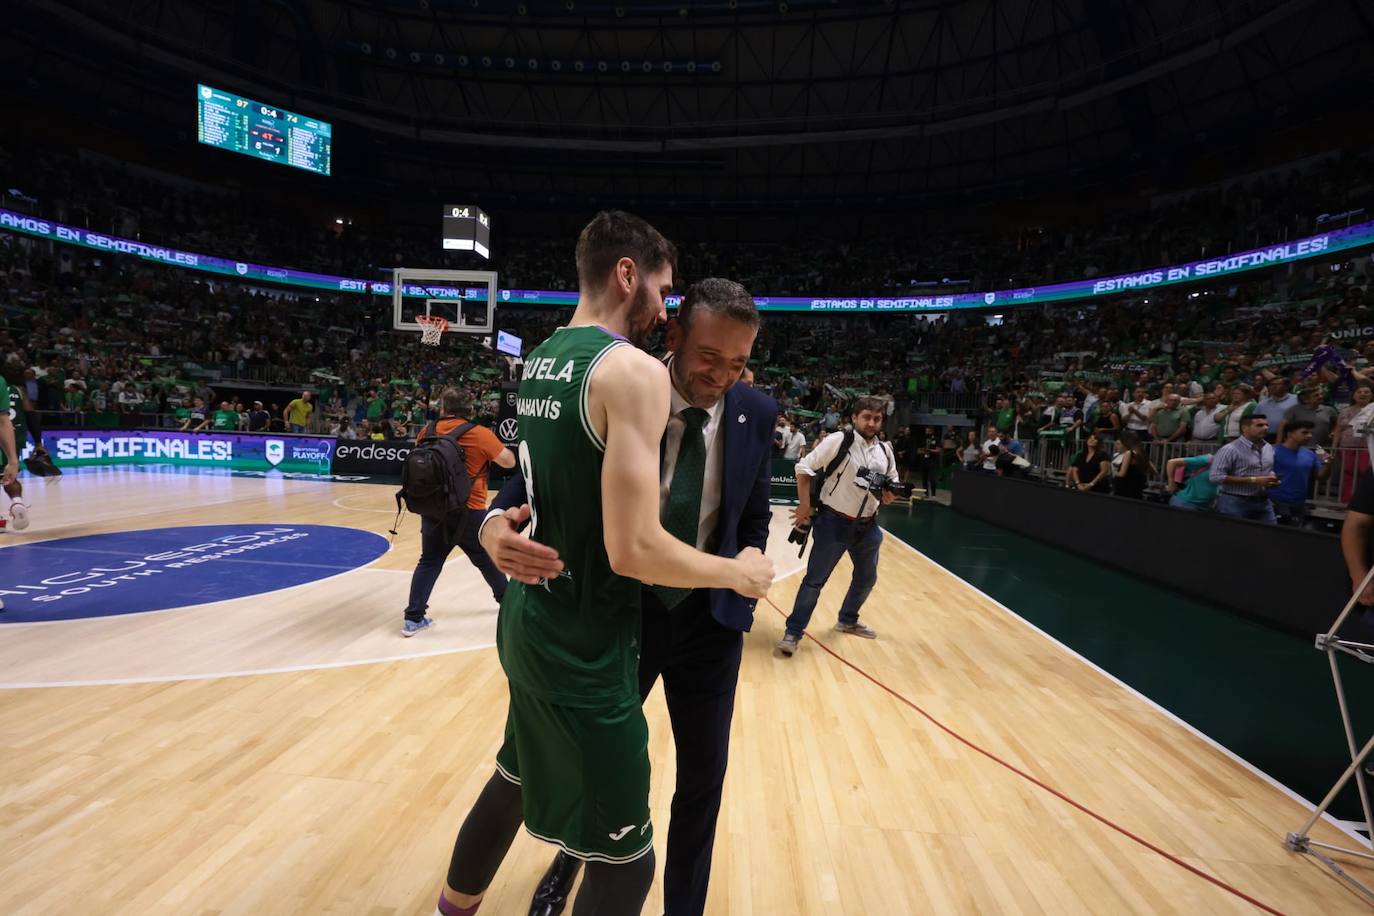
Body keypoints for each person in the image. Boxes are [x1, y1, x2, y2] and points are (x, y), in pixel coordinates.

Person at [432, 212, 774, 916]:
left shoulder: (549, 356)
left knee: (678, 778)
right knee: (617, 834)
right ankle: (566, 873)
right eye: (710, 357)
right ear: (672, 327)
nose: (723, 376)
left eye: (739, 364)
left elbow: (750, 516)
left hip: (679, 625)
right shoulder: (633, 374)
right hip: (613, 622)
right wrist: (495, 522)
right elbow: (607, 532)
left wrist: (749, 555)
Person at [777, 396, 897, 655]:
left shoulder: (885, 450)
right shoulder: (839, 441)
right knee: (814, 581)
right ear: (855, 418)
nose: (871, 423)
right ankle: (793, 632)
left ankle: (847, 619)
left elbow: (891, 483)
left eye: (877, 418)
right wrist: (804, 506)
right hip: (833, 523)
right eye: (866, 417)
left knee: (867, 578)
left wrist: (889, 494)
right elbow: (804, 467)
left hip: (868, 526)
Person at [400, 387, 517, 637]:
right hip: (469, 510)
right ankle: (508, 605)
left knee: (429, 561)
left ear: (443, 408)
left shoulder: (426, 431)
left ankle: (413, 619)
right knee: (485, 559)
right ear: (470, 409)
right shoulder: (479, 434)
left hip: (434, 508)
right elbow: (509, 462)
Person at [1208, 414, 1279, 523]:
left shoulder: (1268, 448)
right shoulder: (1230, 449)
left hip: (1263, 501)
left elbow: (1268, 468)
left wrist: (1271, 477)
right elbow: (1215, 477)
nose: (1265, 428)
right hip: (1235, 502)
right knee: (1235, 538)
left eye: (1267, 425)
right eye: (1259, 425)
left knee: (1271, 536)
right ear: (1245, 428)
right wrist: (1254, 480)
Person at [1270, 419, 1330, 527]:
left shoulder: (1310, 454)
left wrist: (1327, 463)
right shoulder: (1272, 451)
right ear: (1290, 434)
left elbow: (1321, 477)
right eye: (1305, 432)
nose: (1309, 436)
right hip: (1276, 501)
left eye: (1311, 433)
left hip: (1299, 502)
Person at [1, 372, 31, 535]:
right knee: (8, 477)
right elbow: (30, 414)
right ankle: (17, 503)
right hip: (12, 435)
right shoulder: (11, 387)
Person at [1110, 429, 1151, 500]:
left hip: (1125, 488)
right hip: (1137, 487)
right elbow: (1154, 471)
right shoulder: (1141, 453)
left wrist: (1112, 472)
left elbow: (1122, 473)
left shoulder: (1129, 453)